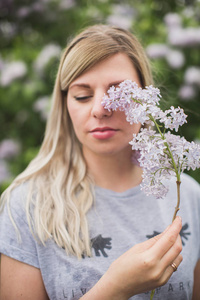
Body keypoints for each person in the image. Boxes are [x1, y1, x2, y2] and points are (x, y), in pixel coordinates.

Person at [0, 24, 200, 300]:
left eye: (118, 92)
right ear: (65, 104)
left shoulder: (187, 194)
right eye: (82, 96)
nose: (99, 109)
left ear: (145, 98)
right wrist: (114, 289)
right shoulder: (28, 207)